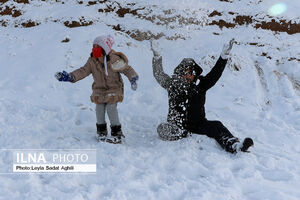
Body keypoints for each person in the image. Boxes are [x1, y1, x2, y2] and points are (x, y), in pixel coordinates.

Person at [150, 39, 253, 153]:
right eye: (185, 73)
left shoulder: (201, 85)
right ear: (180, 73)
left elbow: (215, 74)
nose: (187, 76)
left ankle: (235, 146)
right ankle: (183, 133)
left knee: (217, 126)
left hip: (198, 124)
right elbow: (159, 75)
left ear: (195, 74)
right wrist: (157, 57)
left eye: (190, 73)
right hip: (177, 125)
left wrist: (223, 56)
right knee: (162, 129)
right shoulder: (173, 85)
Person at [55, 35, 139, 144]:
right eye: (93, 46)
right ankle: (101, 132)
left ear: (104, 48)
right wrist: (70, 77)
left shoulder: (113, 59)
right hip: (99, 90)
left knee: (110, 107)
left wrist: (133, 78)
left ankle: (117, 134)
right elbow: (83, 71)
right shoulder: (92, 61)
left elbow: (127, 69)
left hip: (114, 88)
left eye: (97, 46)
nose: (94, 48)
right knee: (99, 109)